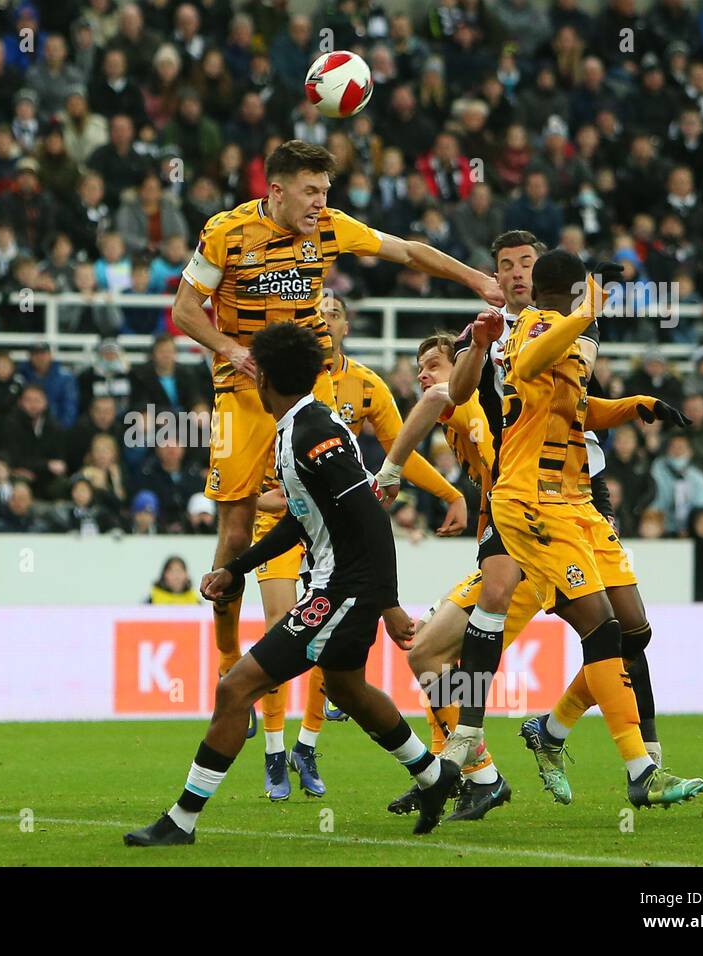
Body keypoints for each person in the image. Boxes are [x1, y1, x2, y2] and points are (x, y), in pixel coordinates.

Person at [170, 139, 501, 746]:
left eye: (326, 193)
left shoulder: (330, 230)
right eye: (310, 192)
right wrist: (233, 352)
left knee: (347, 510)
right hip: (240, 397)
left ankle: (377, 628)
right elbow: (185, 310)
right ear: (276, 190)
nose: (321, 204)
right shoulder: (226, 232)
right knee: (238, 532)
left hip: (305, 399)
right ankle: (226, 661)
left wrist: (476, 276)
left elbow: (406, 251)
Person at [123, 322, 461, 847]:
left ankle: (182, 820)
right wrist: (236, 568)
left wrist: (388, 603)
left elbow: (370, 515)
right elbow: (300, 519)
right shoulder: (296, 428)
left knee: (235, 687)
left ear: (265, 380)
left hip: (342, 590)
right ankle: (435, 776)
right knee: (348, 688)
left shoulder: (313, 434)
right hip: (339, 584)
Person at [433, 250, 703, 809]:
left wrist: (639, 405)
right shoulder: (537, 326)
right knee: (596, 630)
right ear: (577, 290)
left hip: (574, 500)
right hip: (529, 501)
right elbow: (527, 365)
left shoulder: (561, 334)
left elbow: (576, 408)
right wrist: (583, 318)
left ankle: (540, 732)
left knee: (631, 631)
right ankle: (637, 770)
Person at [377, 327, 684, 817]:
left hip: (528, 549)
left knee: (433, 652)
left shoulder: (470, 403)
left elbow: (439, 398)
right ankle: (476, 763)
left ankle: (473, 772)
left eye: (434, 365)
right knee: (439, 656)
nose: (425, 377)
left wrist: (391, 468)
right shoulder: (480, 416)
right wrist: (453, 496)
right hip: (521, 539)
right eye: (421, 368)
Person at [250, 295, 467, 801]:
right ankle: (274, 752)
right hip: (282, 522)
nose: (324, 318)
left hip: (337, 531)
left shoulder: (365, 385)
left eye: (333, 312)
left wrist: (449, 492)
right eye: (315, 311)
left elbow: (400, 451)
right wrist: (253, 501)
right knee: (282, 634)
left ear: (346, 324)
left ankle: (307, 743)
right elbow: (240, 469)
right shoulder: (280, 379)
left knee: (331, 650)